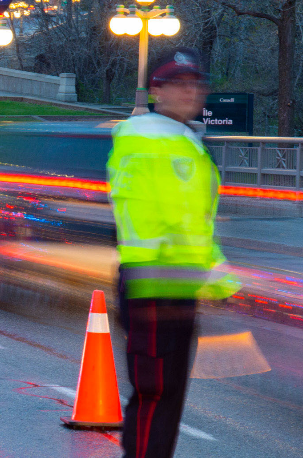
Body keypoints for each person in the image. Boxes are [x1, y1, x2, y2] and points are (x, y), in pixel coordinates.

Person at [105, 47, 239, 458]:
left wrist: (219, 277)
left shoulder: (184, 139)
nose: (190, 92)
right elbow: (159, 215)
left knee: (165, 401)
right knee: (155, 398)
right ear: (156, 90)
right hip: (153, 287)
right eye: (177, 83)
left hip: (175, 290)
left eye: (195, 84)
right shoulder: (148, 138)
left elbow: (197, 220)